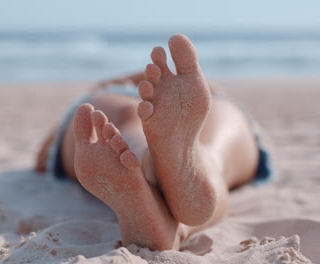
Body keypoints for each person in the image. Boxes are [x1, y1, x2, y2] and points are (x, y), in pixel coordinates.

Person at [34, 34, 272, 251]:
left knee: (125, 124)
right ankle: (179, 182)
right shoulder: (207, 95)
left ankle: (147, 165)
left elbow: (44, 157)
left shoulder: (110, 87)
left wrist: (108, 86)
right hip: (221, 103)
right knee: (214, 154)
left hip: (113, 94)